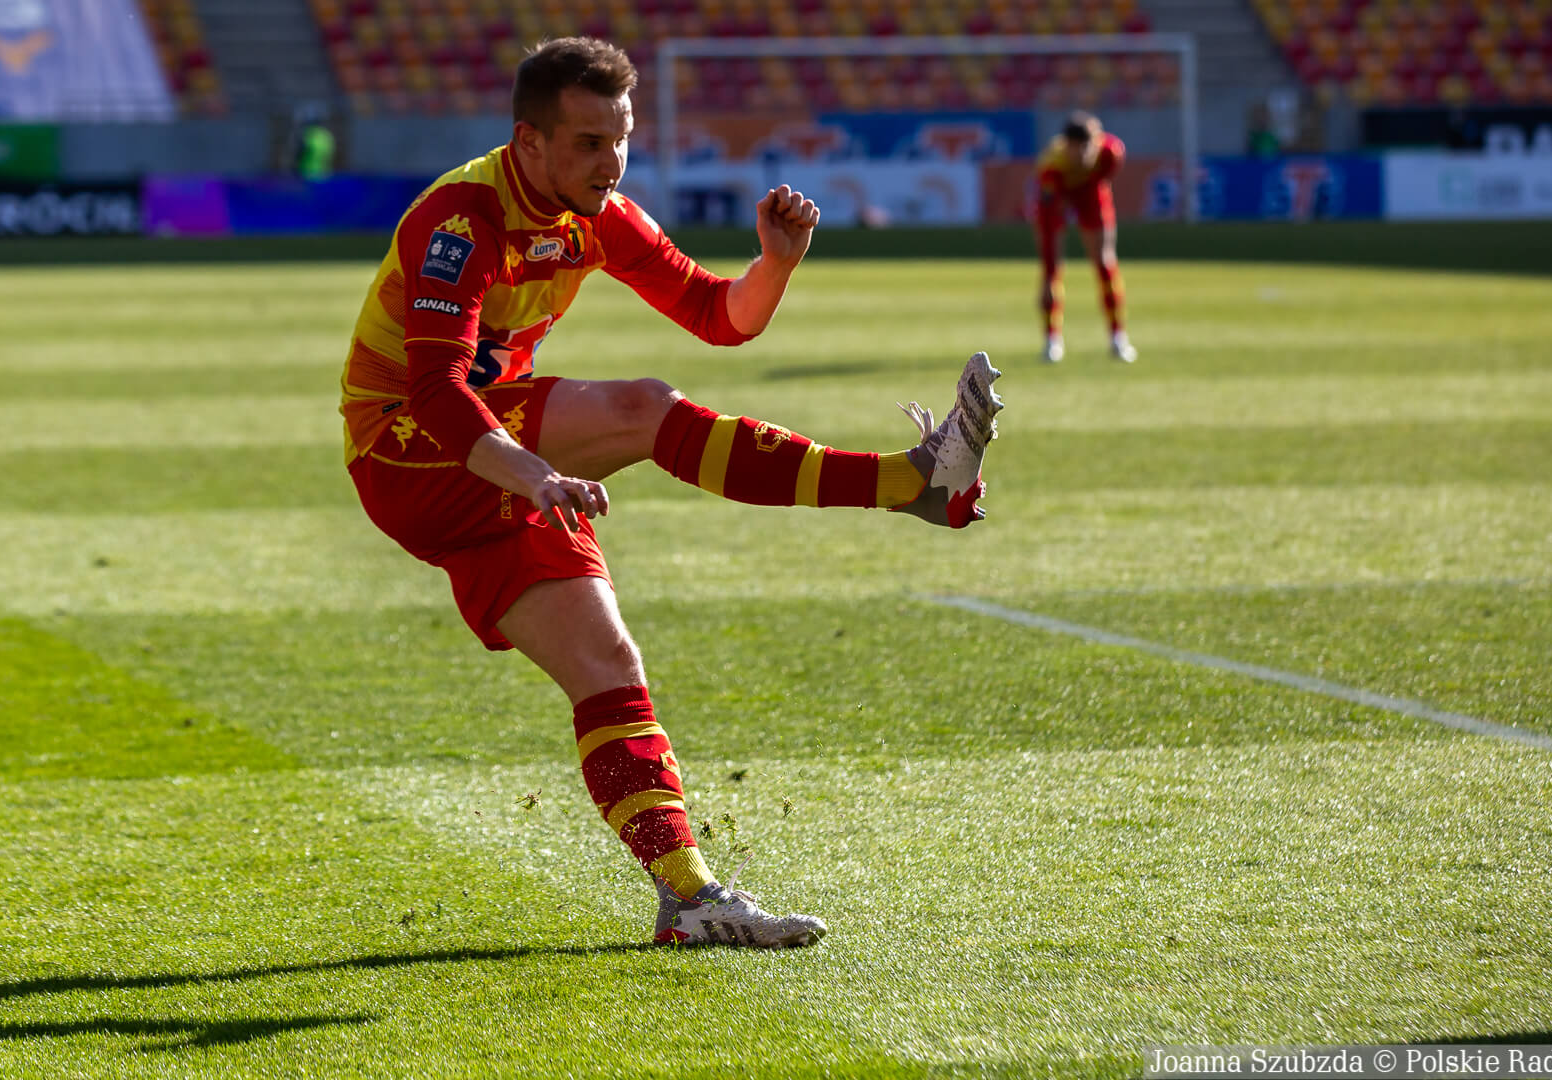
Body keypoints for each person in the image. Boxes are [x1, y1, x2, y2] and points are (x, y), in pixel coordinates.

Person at [338, 37, 1003, 948]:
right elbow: (434, 390)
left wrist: (775, 264)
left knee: (609, 666)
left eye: (621, 139)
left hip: (496, 468)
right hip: (405, 450)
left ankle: (689, 899)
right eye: (588, 142)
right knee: (641, 409)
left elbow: (719, 317)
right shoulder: (462, 219)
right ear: (529, 142)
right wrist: (534, 473)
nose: (611, 162)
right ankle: (912, 481)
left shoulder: (599, 214)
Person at [1034, 109, 1136, 364]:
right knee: (1051, 268)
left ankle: (1118, 337)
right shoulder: (1051, 166)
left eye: (1086, 147)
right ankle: (1052, 339)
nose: (1081, 155)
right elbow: (1049, 209)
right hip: (1058, 196)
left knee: (1104, 261)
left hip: (1090, 192)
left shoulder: (1111, 153)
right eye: (1075, 148)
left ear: (1096, 143)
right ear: (1066, 145)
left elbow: (1102, 181)